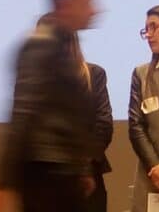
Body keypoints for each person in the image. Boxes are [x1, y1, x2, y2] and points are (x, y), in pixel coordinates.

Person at [0, 0, 99, 212]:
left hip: (65, 173)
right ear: (65, 5)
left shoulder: (62, 48)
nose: (94, 10)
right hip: (45, 174)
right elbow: (22, 114)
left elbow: (70, 117)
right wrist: (1, 185)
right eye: (87, 2)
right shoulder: (40, 44)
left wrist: (81, 169)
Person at [37, 13, 113, 212]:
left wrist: (80, 165)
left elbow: (103, 125)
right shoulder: (32, 80)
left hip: (87, 178)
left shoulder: (94, 74)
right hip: (42, 180)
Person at [129, 4, 159, 212]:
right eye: (146, 30)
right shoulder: (141, 75)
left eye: (154, 27)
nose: (149, 35)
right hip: (154, 180)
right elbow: (136, 128)